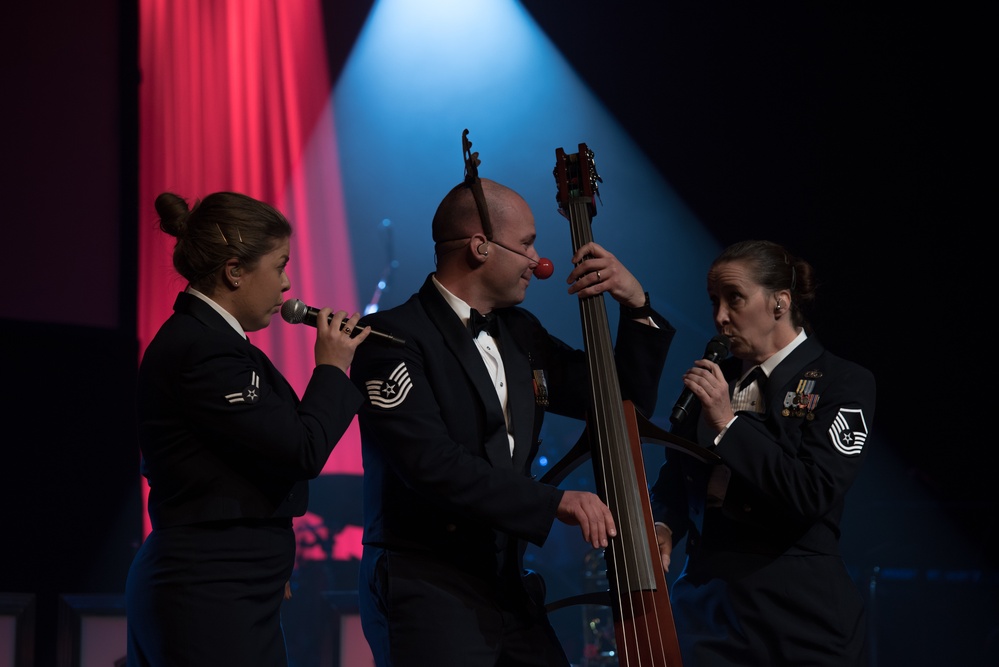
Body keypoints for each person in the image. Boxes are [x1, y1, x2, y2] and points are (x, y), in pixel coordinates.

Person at [348, 159, 676, 666]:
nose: (538, 261)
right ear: (480, 247)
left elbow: (620, 402)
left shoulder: (521, 332)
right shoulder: (391, 338)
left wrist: (635, 306)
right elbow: (430, 465)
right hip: (427, 587)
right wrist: (553, 502)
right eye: (525, 244)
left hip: (506, 586)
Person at [125, 191, 371, 666]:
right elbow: (300, 448)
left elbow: (234, 464)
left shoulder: (218, 343)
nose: (287, 284)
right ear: (235, 271)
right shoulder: (204, 350)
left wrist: (263, 555)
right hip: (205, 586)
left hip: (225, 580)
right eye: (279, 266)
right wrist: (331, 368)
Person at [649, 239, 876, 666]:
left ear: (780, 303)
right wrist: (664, 524)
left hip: (797, 613)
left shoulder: (841, 382)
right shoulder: (717, 382)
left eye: (734, 298)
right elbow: (676, 475)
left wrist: (728, 424)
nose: (719, 316)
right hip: (706, 607)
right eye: (714, 300)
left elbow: (813, 490)